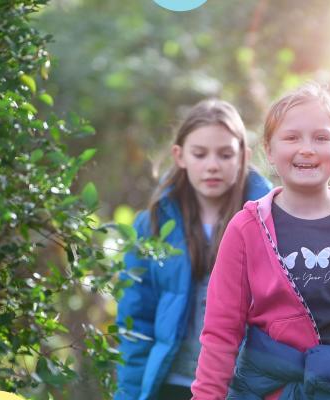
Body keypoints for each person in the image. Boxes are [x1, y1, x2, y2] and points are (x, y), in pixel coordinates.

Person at [192, 83, 330, 400]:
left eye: (321, 138)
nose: (307, 148)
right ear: (269, 150)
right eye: (292, 137)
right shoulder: (247, 228)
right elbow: (221, 330)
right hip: (273, 390)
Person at [115, 99, 273, 400]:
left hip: (239, 388)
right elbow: (134, 319)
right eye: (200, 154)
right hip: (170, 383)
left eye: (225, 154)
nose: (212, 165)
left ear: (244, 157)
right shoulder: (152, 224)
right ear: (180, 155)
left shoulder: (270, 222)